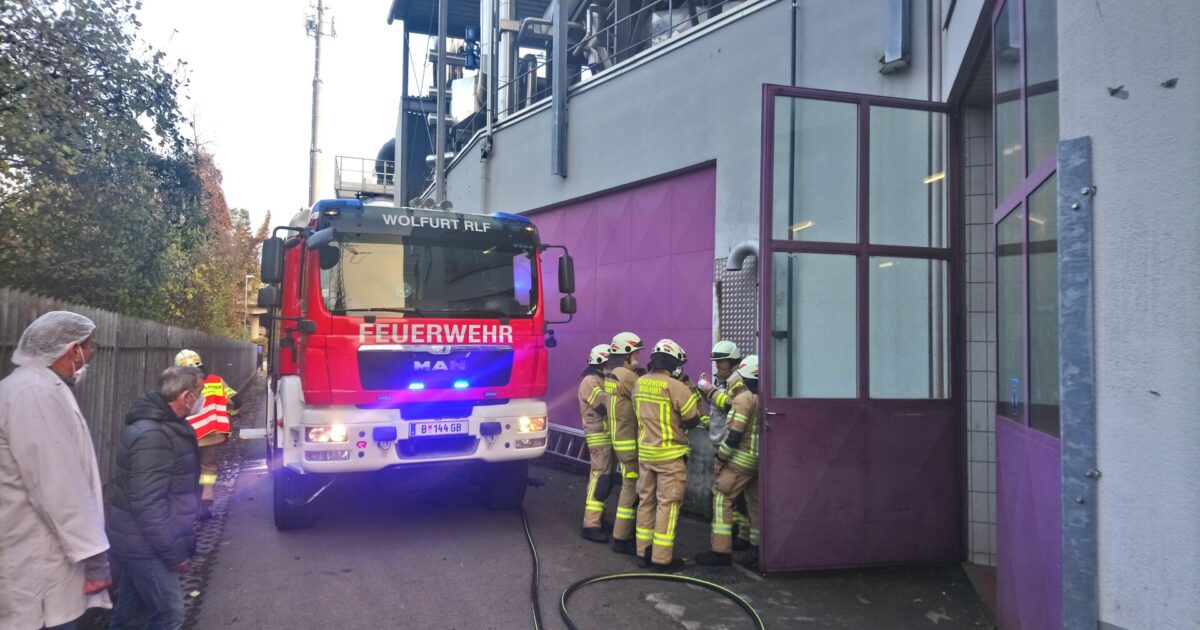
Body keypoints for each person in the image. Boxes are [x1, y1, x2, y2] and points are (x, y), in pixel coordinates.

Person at [0, 311, 112, 630]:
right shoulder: (31, 393)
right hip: (38, 574)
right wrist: (94, 556)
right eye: (90, 347)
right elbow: (57, 485)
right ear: (72, 350)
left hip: (47, 563)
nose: (91, 355)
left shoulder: (40, 387)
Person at [106, 366, 204, 630]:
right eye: (199, 393)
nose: (202, 400)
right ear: (185, 397)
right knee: (169, 613)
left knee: (129, 616)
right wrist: (174, 552)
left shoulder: (167, 426)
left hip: (139, 541)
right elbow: (147, 503)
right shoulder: (154, 435)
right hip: (147, 546)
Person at [632, 339, 702, 572]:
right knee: (667, 505)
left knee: (646, 502)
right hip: (670, 456)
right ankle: (661, 559)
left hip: (646, 454)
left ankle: (643, 552)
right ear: (673, 364)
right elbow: (693, 419)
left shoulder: (639, 383)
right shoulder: (677, 387)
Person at [696, 355, 762, 569]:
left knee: (721, 497)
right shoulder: (765, 398)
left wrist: (720, 458)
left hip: (740, 460)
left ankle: (720, 551)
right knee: (755, 504)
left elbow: (734, 435)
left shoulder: (744, 398)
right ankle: (757, 549)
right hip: (758, 460)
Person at [173, 349, 239, 521]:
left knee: (189, 469)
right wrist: (231, 411)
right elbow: (236, 401)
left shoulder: (177, 386)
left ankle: (188, 506)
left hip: (188, 435)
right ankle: (207, 498)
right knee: (208, 467)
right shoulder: (216, 381)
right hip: (213, 435)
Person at [603, 332, 644, 555]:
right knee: (631, 488)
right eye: (637, 352)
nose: (639, 356)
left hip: (619, 440)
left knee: (630, 486)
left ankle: (623, 533)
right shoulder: (626, 376)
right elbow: (644, 393)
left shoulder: (612, 374)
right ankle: (622, 537)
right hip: (629, 443)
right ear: (627, 355)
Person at [579, 344, 612, 543]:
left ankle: (599, 518)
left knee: (605, 479)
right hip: (598, 438)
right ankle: (591, 524)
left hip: (606, 437)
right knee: (599, 479)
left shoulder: (601, 379)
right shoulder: (590, 381)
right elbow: (604, 408)